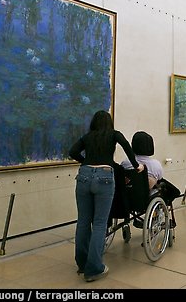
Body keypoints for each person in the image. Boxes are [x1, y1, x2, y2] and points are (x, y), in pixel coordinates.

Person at [69, 110, 144, 282]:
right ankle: (94, 268)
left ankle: (82, 264)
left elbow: (72, 151)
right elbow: (126, 145)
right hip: (104, 176)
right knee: (100, 222)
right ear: (109, 123)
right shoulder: (114, 134)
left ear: (94, 123)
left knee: (83, 221)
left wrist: (86, 163)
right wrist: (136, 165)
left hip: (84, 175)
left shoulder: (87, 137)